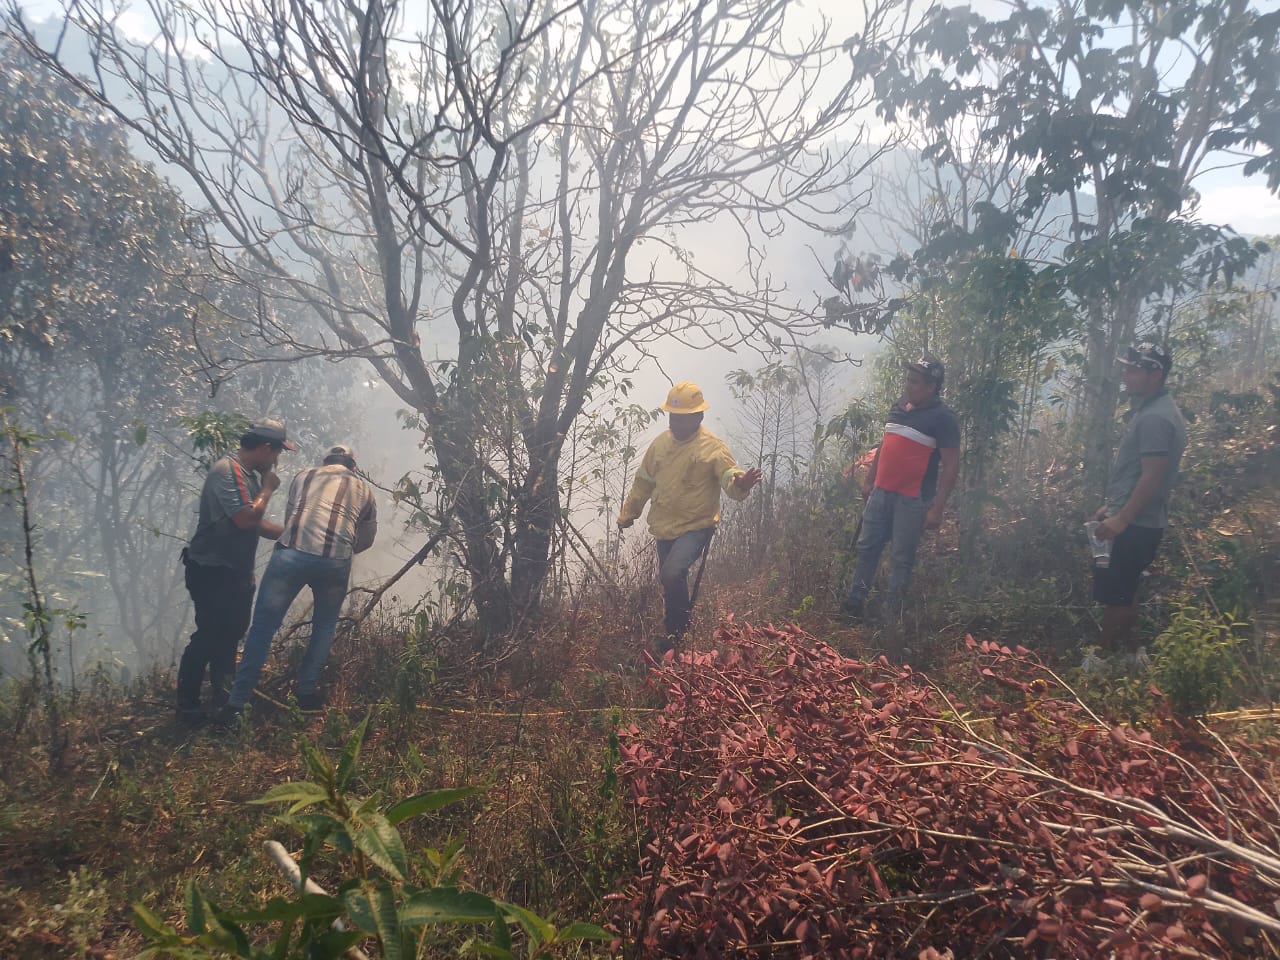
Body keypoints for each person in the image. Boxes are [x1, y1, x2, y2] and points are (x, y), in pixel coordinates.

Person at [221, 444, 378, 716]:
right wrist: (339, 548)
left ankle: (236, 703)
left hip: (291, 556)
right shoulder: (364, 490)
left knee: (263, 628)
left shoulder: (304, 476)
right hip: (335, 563)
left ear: (325, 462)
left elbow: (292, 521)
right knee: (324, 626)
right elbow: (365, 540)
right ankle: (305, 692)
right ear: (353, 467)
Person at [617, 382, 762, 652]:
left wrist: (741, 483)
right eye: (673, 416)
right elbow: (643, 482)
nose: (675, 423)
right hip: (664, 525)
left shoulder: (712, 447)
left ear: (698, 417)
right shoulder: (660, 445)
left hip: (696, 526)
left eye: (682, 418)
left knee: (672, 573)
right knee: (670, 579)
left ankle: (678, 634)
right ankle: (677, 639)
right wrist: (629, 513)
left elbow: (729, 475)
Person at [177, 418, 293, 722]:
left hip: (234, 572)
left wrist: (291, 534)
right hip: (212, 570)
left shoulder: (246, 475)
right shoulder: (228, 471)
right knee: (210, 634)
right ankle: (187, 706)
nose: (276, 461)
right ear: (265, 448)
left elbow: (254, 522)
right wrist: (267, 489)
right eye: (276, 453)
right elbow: (245, 518)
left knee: (231, 635)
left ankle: (224, 700)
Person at [840, 354, 960, 624]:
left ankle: (892, 616)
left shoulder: (943, 419)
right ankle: (854, 604)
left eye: (915, 382)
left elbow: (951, 466)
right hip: (881, 492)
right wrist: (870, 481)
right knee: (867, 547)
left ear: (931, 387)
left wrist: (937, 509)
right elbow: (885, 446)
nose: (908, 385)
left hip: (912, 500)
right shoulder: (898, 407)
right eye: (908, 380)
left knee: (901, 557)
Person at [1091, 342, 1186, 656]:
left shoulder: (1156, 418)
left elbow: (1152, 476)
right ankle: (1134, 654)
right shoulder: (1152, 410)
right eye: (1127, 369)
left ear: (1155, 374)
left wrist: (1122, 518)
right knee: (1126, 588)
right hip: (1138, 518)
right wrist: (1113, 506)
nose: (1126, 375)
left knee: (1116, 593)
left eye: (1134, 370)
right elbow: (1137, 472)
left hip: (1137, 524)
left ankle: (1102, 658)